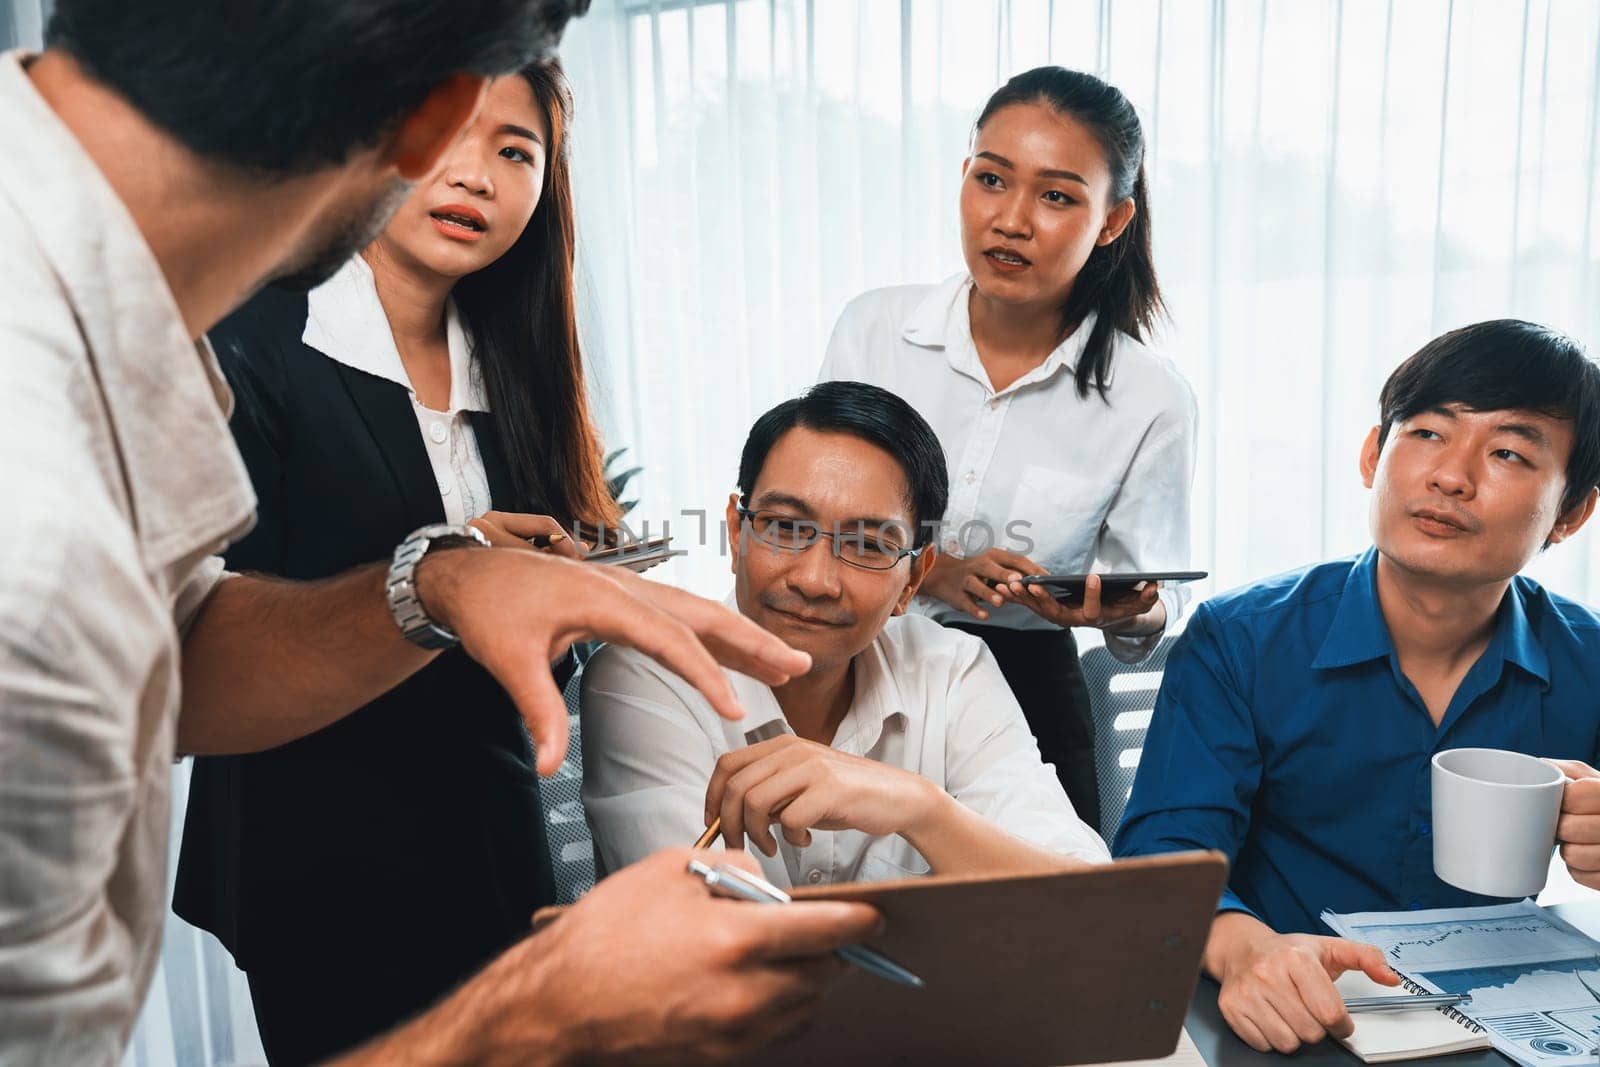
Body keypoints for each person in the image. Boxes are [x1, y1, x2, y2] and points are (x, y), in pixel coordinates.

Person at [0, 2, 880, 1063]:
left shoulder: (77, 293)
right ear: (430, 117)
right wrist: (528, 1020)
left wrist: (440, 583)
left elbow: (171, 644)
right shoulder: (44, 532)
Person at [172, 59, 624, 1064]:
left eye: (516, 151)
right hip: (314, 850)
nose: (477, 175)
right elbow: (207, 616)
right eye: (448, 136)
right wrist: (451, 569)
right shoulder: (254, 337)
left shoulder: (517, 361)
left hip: (490, 836)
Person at [1113, 320, 1600, 1055]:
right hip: (1283, 1018)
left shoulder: (1589, 655)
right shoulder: (1241, 637)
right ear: (1374, 455)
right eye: (1428, 434)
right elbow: (1164, 854)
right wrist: (1243, 948)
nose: (1450, 476)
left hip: (1500, 1030)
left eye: (1507, 452)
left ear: (1572, 512)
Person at [819, 66, 1197, 832]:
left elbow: (1157, 603)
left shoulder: (1150, 396)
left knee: (1036, 926)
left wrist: (1130, 610)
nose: (1012, 219)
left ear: (1113, 220)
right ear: (965, 176)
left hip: (1027, 691)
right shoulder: (876, 331)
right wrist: (940, 570)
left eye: (1057, 196)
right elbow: (816, 518)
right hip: (856, 667)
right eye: (993, 179)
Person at [582, 381, 1110, 886]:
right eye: (785, 528)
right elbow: (696, 926)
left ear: (915, 578)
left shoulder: (950, 669)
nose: (815, 580)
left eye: (867, 545)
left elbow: (1088, 896)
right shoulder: (647, 673)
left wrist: (921, 809)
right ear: (736, 533)